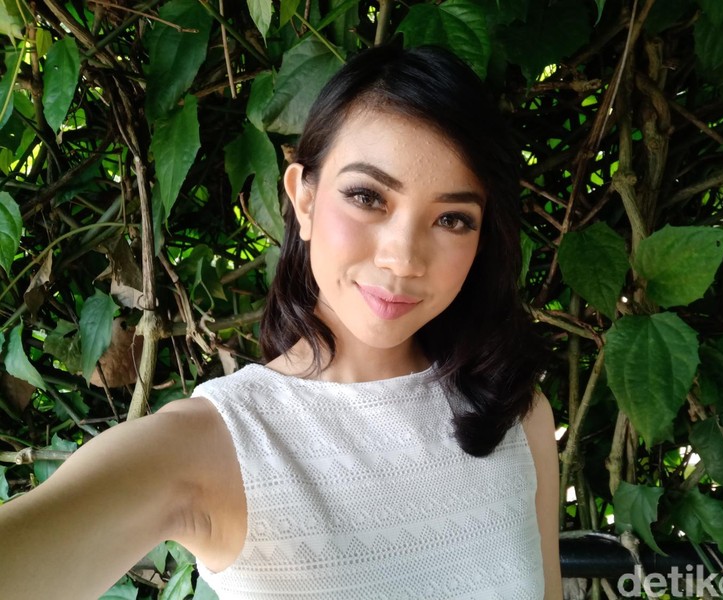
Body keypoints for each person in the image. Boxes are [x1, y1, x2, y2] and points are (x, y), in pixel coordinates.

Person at [0, 44, 561, 599]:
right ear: (304, 201)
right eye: (367, 197)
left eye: (452, 219)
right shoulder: (220, 443)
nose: (403, 258)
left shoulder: (515, 414)